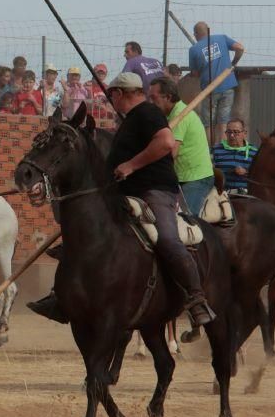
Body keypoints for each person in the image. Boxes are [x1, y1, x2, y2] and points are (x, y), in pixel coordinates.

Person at [28, 72, 216, 328]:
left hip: (155, 190)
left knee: (168, 239)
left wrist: (130, 165)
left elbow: (166, 143)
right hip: (122, 192)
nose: (111, 100)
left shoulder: (149, 113)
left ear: (119, 93)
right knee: (85, 234)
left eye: (112, 95)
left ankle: (196, 298)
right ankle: (63, 297)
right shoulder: (129, 121)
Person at [148, 77, 214, 215]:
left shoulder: (179, 115)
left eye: (154, 98)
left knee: (183, 218)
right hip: (180, 177)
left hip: (196, 178)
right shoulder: (168, 116)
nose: (151, 102)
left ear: (168, 97)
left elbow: (170, 152)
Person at [188, 22, 244, 142]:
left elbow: (194, 73)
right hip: (228, 86)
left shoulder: (194, 49)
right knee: (223, 122)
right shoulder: (222, 38)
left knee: (208, 124)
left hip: (209, 90)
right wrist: (233, 63)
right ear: (208, 30)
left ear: (196, 34)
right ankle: (221, 151)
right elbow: (240, 48)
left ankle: (209, 152)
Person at [211, 119, 257, 194]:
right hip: (222, 194)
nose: (232, 135)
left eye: (236, 132)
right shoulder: (215, 150)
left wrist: (246, 172)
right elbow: (206, 172)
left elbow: (260, 176)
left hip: (247, 195)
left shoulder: (254, 152)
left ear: (244, 133)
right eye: (229, 132)